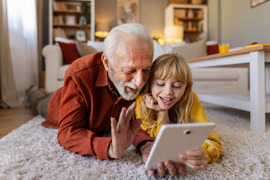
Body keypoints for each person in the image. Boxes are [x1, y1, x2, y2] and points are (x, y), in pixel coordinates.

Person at [27, 23, 155, 160]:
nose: (140, 82)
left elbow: (133, 123)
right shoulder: (79, 73)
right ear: (106, 63)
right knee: (38, 100)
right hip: (56, 103)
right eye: (130, 70)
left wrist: (145, 144)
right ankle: (32, 90)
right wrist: (109, 148)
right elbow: (67, 133)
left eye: (146, 70)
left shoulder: (142, 76)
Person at [135, 53, 224, 177]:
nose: (168, 92)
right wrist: (162, 111)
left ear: (186, 87)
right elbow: (157, 142)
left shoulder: (191, 98)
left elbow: (213, 142)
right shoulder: (142, 102)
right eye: (160, 84)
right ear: (149, 83)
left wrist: (204, 153)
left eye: (177, 86)